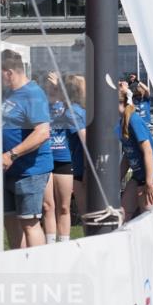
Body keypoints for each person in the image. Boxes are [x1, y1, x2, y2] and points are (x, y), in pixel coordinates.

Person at [1, 50, 53, 248]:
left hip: (30, 171)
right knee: (10, 220)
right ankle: (18, 261)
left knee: (29, 223)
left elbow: (42, 132)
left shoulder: (33, 94)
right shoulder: (9, 94)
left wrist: (11, 154)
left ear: (9, 72)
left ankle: (37, 263)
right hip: (9, 170)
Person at [117, 89, 153, 220]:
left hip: (151, 175)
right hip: (138, 175)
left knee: (147, 218)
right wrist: (117, 179)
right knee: (122, 213)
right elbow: (128, 155)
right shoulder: (121, 122)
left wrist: (149, 183)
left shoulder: (134, 120)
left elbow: (148, 151)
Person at [42, 72, 74, 244]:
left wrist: (59, 88)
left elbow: (74, 110)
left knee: (64, 206)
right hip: (46, 158)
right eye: (49, 86)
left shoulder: (68, 105)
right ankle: (50, 246)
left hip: (64, 158)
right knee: (48, 206)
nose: (51, 89)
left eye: (55, 86)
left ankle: (64, 245)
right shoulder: (41, 105)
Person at [65, 74, 88, 219]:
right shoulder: (83, 110)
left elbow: (86, 142)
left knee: (86, 215)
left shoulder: (72, 112)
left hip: (80, 168)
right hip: (82, 167)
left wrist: (86, 170)